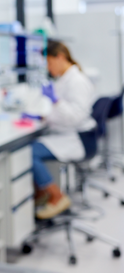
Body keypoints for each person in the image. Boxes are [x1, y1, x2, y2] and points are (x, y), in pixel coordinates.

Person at [26, 41, 96, 220]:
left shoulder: (77, 81)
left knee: (30, 152)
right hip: (68, 134)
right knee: (34, 146)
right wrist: (43, 117)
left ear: (60, 57)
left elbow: (75, 116)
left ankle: (57, 196)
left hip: (78, 139)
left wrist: (55, 101)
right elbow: (61, 113)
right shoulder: (65, 79)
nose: (48, 69)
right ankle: (43, 194)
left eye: (49, 63)